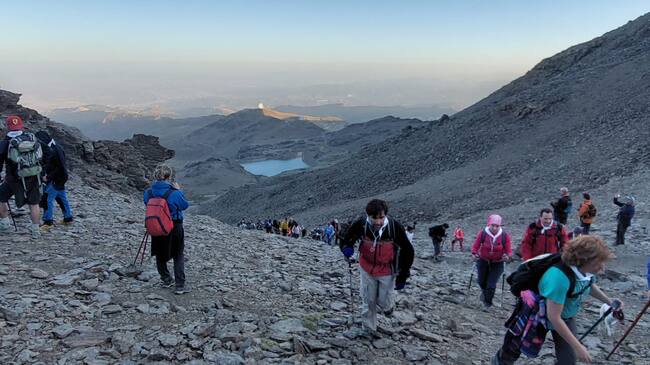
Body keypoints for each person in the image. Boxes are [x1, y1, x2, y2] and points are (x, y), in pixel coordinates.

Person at [493, 235, 623, 365]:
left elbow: (588, 285)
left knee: (568, 360)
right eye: (598, 263)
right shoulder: (559, 278)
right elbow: (554, 317)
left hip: (565, 315)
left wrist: (608, 301)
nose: (602, 268)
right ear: (584, 260)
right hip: (537, 314)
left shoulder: (585, 273)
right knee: (514, 348)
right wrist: (578, 347)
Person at [340, 199, 414, 336]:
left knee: (384, 300)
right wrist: (346, 248)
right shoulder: (361, 224)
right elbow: (346, 238)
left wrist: (403, 275)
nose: (378, 221)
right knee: (368, 298)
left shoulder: (394, 227)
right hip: (366, 267)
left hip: (387, 270)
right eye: (374, 218)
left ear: (385, 215)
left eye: (381, 217)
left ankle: (388, 307)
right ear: (368, 215)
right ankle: (368, 328)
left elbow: (408, 251)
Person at [143, 164, 189, 295]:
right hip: (175, 226)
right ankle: (180, 286)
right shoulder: (174, 193)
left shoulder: (149, 192)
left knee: (159, 252)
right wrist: (179, 190)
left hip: (157, 225)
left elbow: (146, 203)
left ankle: (166, 279)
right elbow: (184, 205)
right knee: (178, 254)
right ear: (169, 177)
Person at [0, 116, 43, 238]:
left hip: (13, 179)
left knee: (1, 197)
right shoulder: (31, 138)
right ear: (21, 125)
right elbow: (43, 157)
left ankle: (4, 223)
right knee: (34, 203)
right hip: (34, 176)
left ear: (8, 126)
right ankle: (35, 231)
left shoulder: (5, 143)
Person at [471, 215, 512, 308]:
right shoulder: (483, 233)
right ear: (489, 224)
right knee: (481, 281)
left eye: (497, 226)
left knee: (491, 284)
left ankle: (487, 303)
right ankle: (484, 293)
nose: (494, 228)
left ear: (500, 226)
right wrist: (474, 253)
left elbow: (508, 250)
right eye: (492, 225)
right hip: (483, 260)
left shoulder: (504, 236)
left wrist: (507, 256)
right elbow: (475, 246)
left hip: (498, 262)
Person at [35, 131, 73, 227]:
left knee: (47, 198)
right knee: (61, 197)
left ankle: (48, 222)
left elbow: (59, 166)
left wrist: (48, 176)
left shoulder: (55, 149)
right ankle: (68, 218)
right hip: (61, 177)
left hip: (57, 178)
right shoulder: (56, 146)